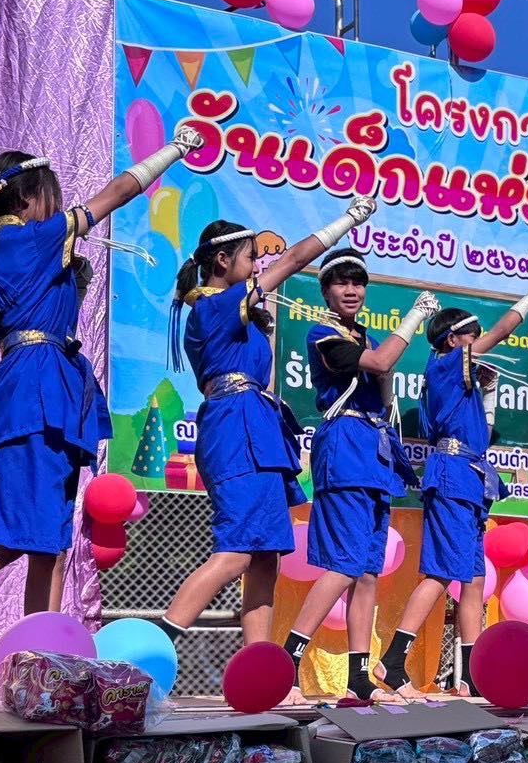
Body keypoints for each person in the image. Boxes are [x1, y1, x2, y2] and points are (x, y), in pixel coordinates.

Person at [0, 128, 205, 655]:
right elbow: (118, 193)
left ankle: (40, 654)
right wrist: (175, 150)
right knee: (8, 536)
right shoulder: (30, 238)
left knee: (51, 539)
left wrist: (70, 289)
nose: (56, 206)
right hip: (38, 390)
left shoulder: (6, 247)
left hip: (42, 385)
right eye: (50, 195)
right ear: (29, 198)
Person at [156, 198, 378, 650]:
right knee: (237, 551)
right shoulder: (214, 306)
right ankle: (148, 649)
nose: (258, 265)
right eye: (252, 257)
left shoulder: (242, 318)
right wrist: (348, 220)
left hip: (257, 428)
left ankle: (258, 664)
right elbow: (293, 260)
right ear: (223, 260)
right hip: (235, 429)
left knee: (264, 558)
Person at [373, 274, 528, 696]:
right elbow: (503, 330)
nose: (478, 341)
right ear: (453, 340)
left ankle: (472, 676)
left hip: (471, 476)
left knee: (472, 580)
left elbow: (482, 435)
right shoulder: (445, 364)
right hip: (452, 476)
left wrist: (489, 396)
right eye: (472, 335)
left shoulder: (462, 380)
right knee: (440, 574)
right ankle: (393, 661)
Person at [282, 250, 438, 697]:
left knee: (368, 572)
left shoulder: (364, 336)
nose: (351, 290)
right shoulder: (323, 333)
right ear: (325, 291)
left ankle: (358, 677)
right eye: (341, 282)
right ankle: (287, 663)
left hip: (375, 449)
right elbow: (381, 363)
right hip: (345, 445)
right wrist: (413, 318)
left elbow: (383, 386)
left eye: (358, 282)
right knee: (344, 565)